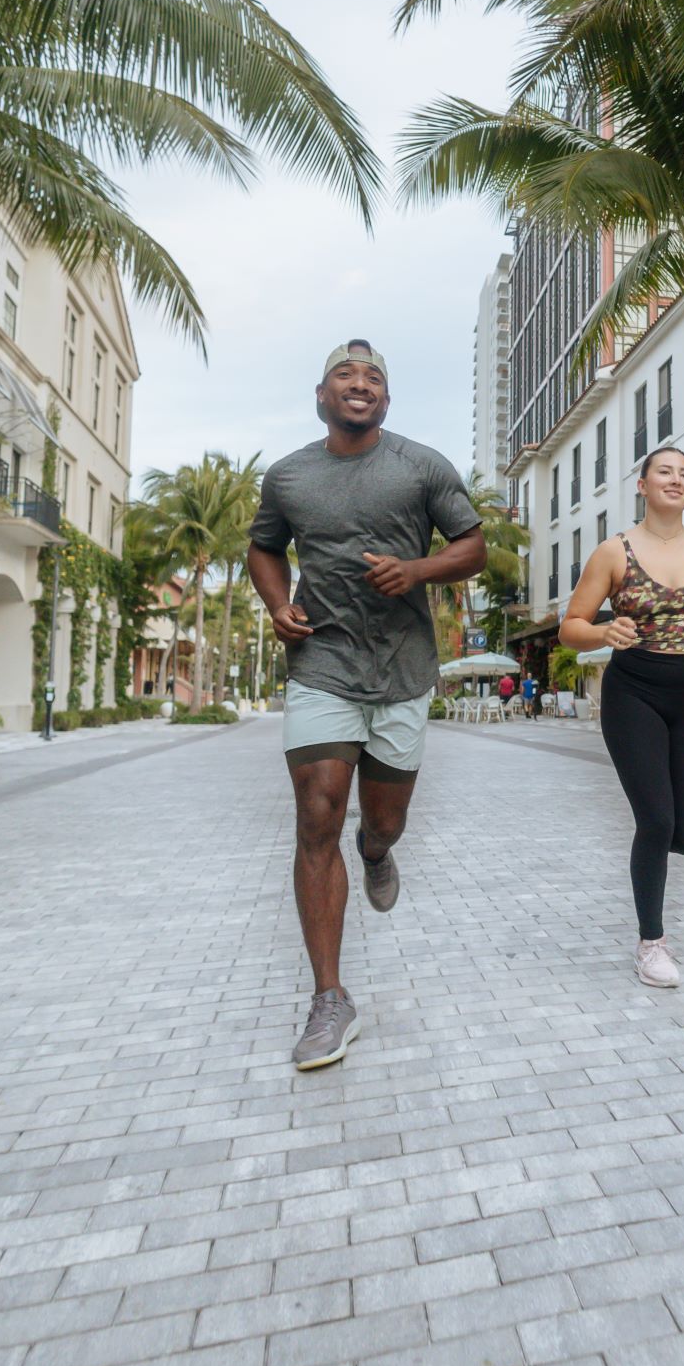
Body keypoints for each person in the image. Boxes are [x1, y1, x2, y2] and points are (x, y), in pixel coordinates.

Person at [249, 341, 486, 1069]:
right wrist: (279, 604)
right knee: (317, 811)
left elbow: (473, 547)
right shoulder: (288, 475)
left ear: (387, 399)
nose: (361, 385)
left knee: (381, 820)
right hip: (321, 662)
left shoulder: (422, 466)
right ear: (320, 395)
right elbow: (263, 549)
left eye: (374, 378)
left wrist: (416, 569)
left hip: (403, 668)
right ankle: (330, 998)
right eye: (346, 377)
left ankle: (377, 850)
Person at [562, 446, 684, 987]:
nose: (676, 479)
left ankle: (653, 844)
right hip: (634, 692)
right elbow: (571, 625)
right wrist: (603, 632)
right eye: (664, 471)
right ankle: (651, 943)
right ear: (642, 485)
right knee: (658, 820)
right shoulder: (614, 552)